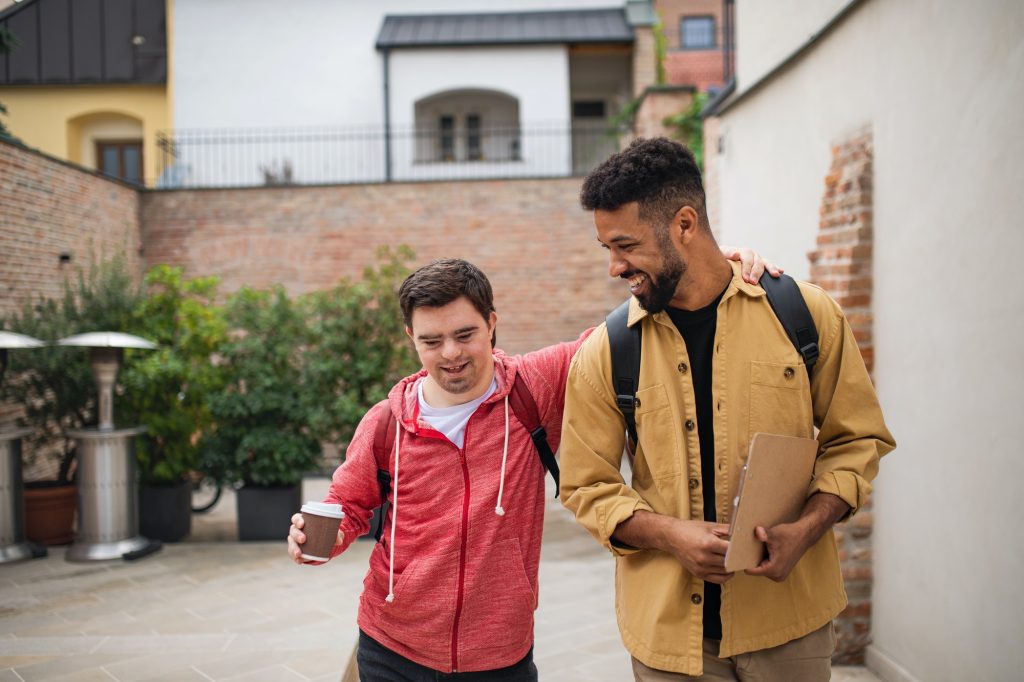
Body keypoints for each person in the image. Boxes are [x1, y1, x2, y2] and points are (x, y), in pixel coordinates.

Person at [288, 251, 773, 680]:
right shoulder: (387, 422)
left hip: (500, 654)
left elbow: (620, 329)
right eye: (432, 341)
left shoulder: (532, 387)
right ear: (410, 336)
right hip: (391, 646)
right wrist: (314, 541)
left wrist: (714, 270)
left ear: (492, 322)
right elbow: (347, 506)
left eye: (465, 334)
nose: (451, 354)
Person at [558, 137, 896, 681]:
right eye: (608, 250)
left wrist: (806, 529)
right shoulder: (607, 350)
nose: (615, 267)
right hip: (669, 640)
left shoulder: (804, 314)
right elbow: (585, 485)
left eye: (626, 245)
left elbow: (857, 442)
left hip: (789, 625)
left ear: (684, 225)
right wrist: (670, 535)